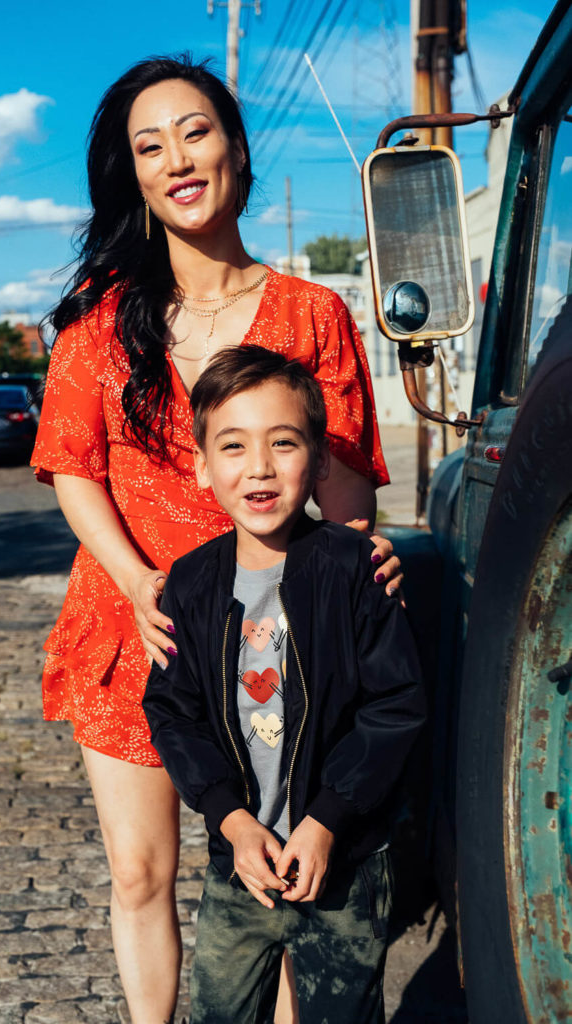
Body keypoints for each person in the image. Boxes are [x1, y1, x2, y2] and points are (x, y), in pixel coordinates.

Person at [31, 53, 402, 1024]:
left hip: (275, 646)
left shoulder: (310, 315)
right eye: (148, 147)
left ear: (234, 149)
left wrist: (339, 592)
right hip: (133, 627)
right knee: (140, 871)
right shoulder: (99, 324)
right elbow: (74, 466)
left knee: (276, 881)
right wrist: (139, 580)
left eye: (194, 132)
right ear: (135, 178)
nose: (176, 159)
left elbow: (346, 488)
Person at [143, 346, 425, 1022]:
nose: (260, 467)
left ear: (319, 460)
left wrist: (327, 821)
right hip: (238, 866)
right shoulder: (188, 584)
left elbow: (394, 707)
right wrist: (230, 820)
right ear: (202, 467)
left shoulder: (356, 570)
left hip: (344, 863)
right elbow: (172, 713)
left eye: (284, 442)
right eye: (233, 446)